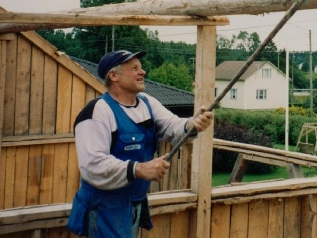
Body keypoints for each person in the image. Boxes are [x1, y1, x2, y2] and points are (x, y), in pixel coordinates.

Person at [67, 50, 213, 237]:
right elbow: (92, 165)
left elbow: (172, 125)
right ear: (113, 76)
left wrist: (192, 124)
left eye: (141, 68)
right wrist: (139, 169)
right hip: (102, 208)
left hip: (132, 204)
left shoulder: (147, 103)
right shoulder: (97, 112)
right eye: (134, 68)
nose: (142, 72)